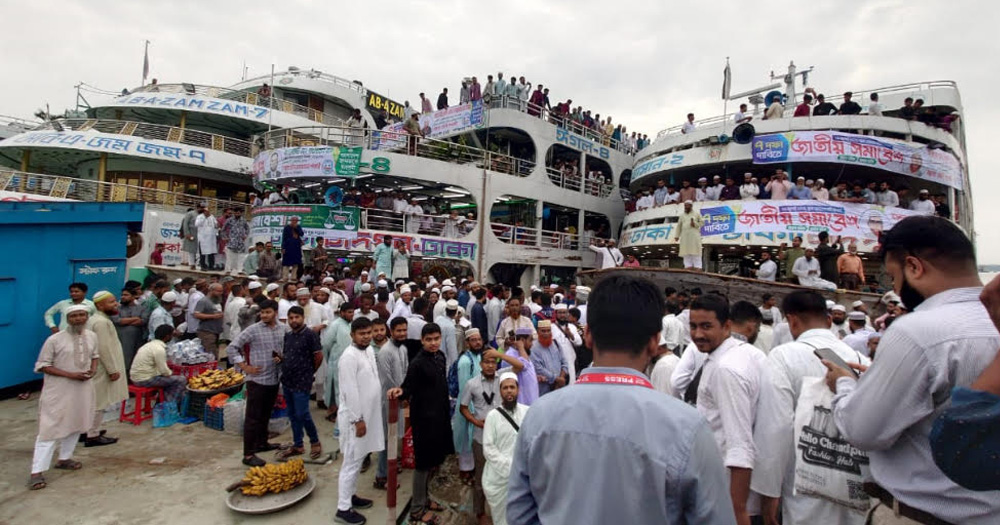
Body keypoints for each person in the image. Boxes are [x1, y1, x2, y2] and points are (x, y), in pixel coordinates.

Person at [507, 274, 735, 523]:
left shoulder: (538, 417)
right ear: (655, 341)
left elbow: (519, 515)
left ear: (589, 335)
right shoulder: (688, 428)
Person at [823, 215, 1000, 525]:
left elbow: (863, 431)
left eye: (893, 277)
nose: (895, 287)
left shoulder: (916, 331)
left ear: (914, 268)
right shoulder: (991, 322)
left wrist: (846, 385)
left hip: (926, 515)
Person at [751, 291, 871, 525]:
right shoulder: (860, 359)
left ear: (791, 320)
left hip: (803, 486)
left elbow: (776, 427)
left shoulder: (783, 356)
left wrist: (769, 493)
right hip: (854, 482)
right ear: (828, 320)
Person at [688, 296, 767, 525]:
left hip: (726, 492)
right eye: (693, 326)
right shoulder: (748, 354)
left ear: (727, 326)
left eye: (706, 326)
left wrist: (737, 510)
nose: (698, 334)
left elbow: (740, 443)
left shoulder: (726, 369)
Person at [387, 324, 454, 525]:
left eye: (436, 339)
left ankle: (427, 499)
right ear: (422, 341)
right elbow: (408, 386)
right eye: (429, 340)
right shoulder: (417, 363)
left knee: (435, 461)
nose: (433, 343)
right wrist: (401, 392)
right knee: (423, 464)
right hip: (424, 419)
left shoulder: (440, 357)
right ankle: (417, 509)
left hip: (440, 417)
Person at [28, 305, 99, 490]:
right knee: (50, 428)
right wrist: (70, 374)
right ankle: (37, 471)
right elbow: (43, 365)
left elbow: (95, 355)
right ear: (68, 319)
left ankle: (64, 458)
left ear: (87, 317)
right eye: (74, 316)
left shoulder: (91, 336)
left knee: (76, 423)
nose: (78, 319)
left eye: (82, 315)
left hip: (82, 388)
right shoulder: (54, 340)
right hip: (59, 390)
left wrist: (92, 370)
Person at [226, 299, 289, 466]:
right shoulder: (253, 330)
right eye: (262, 312)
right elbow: (232, 347)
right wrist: (244, 366)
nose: (264, 315)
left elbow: (286, 349)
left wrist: (281, 358)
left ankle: (262, 443)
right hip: (257, 380)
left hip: (274, 378)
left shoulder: (283, 329)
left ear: (275, 312)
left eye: (268, 312)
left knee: (265, 414)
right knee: (253, 418)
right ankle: (248, 455)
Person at [335, 317, 383, 524]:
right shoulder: (348, 357)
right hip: (355, 418)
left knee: (360, 456)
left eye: (368, 333)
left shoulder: (369, 350)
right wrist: (358, 420)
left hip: (368, 414)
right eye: (361, 333)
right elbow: (349, 391)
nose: (366, 337)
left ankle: (351, 496)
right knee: (351, 461)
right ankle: (343, 509)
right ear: (352, 335)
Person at [274, 306, 324, 461]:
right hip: (288, 379)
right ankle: (298, 444)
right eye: (291, 318)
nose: (293, 320)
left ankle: (315, 442)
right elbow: (289, 355)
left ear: (303, 318)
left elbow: (318, 356)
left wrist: (309, 372)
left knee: (303, 413)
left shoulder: (310, 335)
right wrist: (282, 360)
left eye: (296, 317)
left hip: (303, 381)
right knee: (293, 414)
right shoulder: (288, 335)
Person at [458, 336, 499, 525]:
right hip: (481, 437)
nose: (490, 366)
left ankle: (500, 510)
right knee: (481, 478)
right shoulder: (472, 384)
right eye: (487, 362)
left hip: (501, 437)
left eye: (493, 362)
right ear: (480, 364)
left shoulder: (504, 380)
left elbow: (520, 366)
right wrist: (476, 421)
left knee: (502, 477)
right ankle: (480, 513)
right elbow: (463, 407)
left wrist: (498, 353)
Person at [481, 371, 527, 525]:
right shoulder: (492, 416)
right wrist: (509, 467)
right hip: (498, 478)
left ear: (518, 389)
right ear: (500, 391)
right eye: (505, 388)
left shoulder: (528, 412)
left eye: (512, 387)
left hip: (522, 476)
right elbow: (488, 448)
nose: (509, 391)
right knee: (502, 520)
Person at [87, 291, 127, 447]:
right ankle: (92, 435)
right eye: (111, 302)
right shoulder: (101, 322)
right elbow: (103, 348)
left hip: (100, 367)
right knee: (100, 402)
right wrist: (112, 370)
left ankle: (88, 430)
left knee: (94, 401)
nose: (115, 304)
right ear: (100, 305)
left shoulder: (97, 319)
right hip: (103, 369)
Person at [374, 317, 408, 489]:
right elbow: (387, 381)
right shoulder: (385, 352)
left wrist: (405, 392)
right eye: (398, 331)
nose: (402, 333)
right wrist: (400, 395)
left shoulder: (402, 348)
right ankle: (381, 476)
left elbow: (405, 372)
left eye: (404, 330)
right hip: (389, 401)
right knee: (388, 439)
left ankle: (390, 469)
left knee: (393, 438)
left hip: (399, 399)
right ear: (391, 331)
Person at [130, 324, 186, 405]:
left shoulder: (149, 345)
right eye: (171, 335)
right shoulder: (159, 349)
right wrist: (172, 373)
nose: (172, 337)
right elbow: (164, 371)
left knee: (169, 380)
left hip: (136, 377)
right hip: (144, 379)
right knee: (181, 380)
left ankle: (161, 402)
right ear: (167, 336)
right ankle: (169, 406)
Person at [322, 303, 355, 415]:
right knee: (335, 388)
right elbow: (326, 344)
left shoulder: (351, 325)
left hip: (349, 362)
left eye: (352, 312)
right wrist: (331, 359)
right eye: (349, 312)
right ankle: (333, 412)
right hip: (335, 361)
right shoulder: (335, 324)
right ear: (342, 313)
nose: (351, 314)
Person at [112, 288, 145, 376]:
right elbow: (118, 321)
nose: (123, 297)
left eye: (126, 295)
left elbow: (142, 321)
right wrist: (134, 318)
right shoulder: (117, 308)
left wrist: (125, 321)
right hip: (120, 339)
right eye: (122, 295)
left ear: (134, 296)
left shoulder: (141, 308)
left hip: (136, 340)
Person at [530, 320, 568, 396]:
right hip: (544, 388)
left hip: (560, 386)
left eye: (548, 331)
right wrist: (557, 379)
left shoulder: (556, 343)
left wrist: (561, 379)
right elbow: (538, 368)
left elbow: (565, 362)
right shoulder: (533, 347)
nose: (546, 333)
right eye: (543, 331)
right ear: (538, 332)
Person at [194, 283, 225, 359]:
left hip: (216, 332)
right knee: (210, 355)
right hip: (207, 332)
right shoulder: (203, 301)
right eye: (218, 291)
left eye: (221, 291)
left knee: (215, 354)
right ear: (211, 290)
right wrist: (213, 316)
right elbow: (197, 314)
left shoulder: (216, 301)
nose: (220, 293)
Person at [675, 201, 705, 270]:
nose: (686, 207)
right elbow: (679, 226)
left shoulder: (696, 214)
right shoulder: (682, 215)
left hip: (694, 236)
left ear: (691, 206)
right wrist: (677, 236)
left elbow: (702, 223)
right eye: (685, 206)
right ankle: (688, 266)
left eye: (687, 206)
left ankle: (698, 267)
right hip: (685, 237)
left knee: (695, 252)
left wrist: (694, 224)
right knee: (686, 252)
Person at [222, 208, 249, 274]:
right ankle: (228, 270)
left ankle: (240, 270)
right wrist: (225, 237)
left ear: (241, 213)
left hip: (240, 242)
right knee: (229, 256)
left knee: (241, 257)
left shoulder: (243, 220)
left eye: (239, 213)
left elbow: (247, 229)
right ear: (234, 213)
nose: (238, 214)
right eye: (236, 213)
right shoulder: (230, 220)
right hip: (232, 241)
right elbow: (223, 229)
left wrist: (245, 235)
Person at [195, 205, 218, 271]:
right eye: (206, 211)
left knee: (211, 253)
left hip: (211, 238)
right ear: (204, 211)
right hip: (203, 238)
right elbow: (197, 224)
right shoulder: (200, 217)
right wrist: (205, 217)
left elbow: (216, 224)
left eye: (208, 211)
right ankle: (203, 266)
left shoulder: (212, 216)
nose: (207, 212)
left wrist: (217, 225)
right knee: (203, 253)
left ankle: (211, 266)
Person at [281, 216, 305, 281]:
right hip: (288, 246)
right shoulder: (287, 227)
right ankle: (285, 277)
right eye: (293, 220)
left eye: (296, 220)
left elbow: (301, 234)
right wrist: (283, 247)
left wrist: (296, 228)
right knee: (286, 263)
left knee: (296, 263)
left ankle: (293, 277)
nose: (294, 222)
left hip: (296, 247)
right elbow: (284, 238)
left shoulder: (298, 227)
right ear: (291, 220)